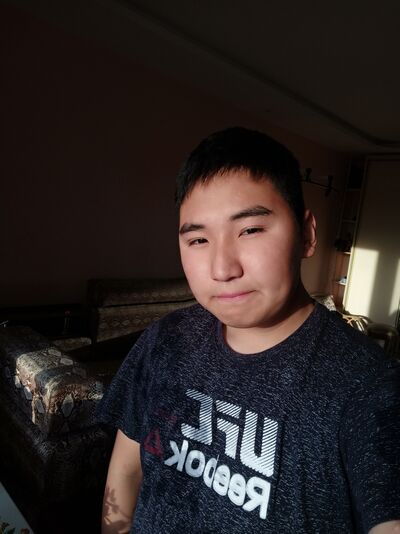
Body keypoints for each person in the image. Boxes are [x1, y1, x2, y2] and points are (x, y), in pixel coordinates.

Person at [96, 127, 400, 533]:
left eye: (250, 230)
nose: (222, 269)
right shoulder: (165, 340)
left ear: (307, 235)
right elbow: (126, 469)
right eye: (198, 240)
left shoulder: (369, 386)